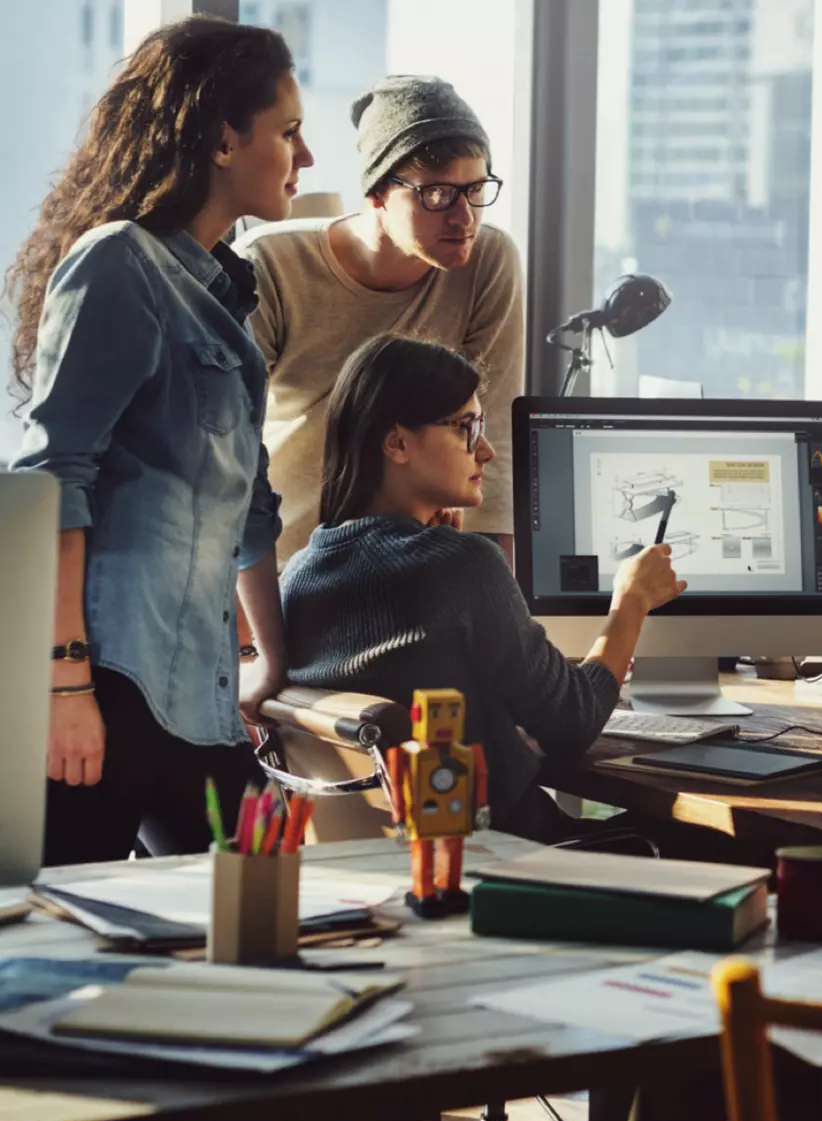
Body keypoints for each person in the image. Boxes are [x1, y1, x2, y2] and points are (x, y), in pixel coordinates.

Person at [6, 18, 307, 865]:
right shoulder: (118, 266)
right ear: (222, 139)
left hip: (201, 702)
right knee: (55, 948)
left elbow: (251, 513)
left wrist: (269, 667)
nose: (304, 158)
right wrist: (65, 687)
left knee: (270, 896)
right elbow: (52, 478)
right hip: (108, 688)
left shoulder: (228, 296)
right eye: (288, 133)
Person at [279, 335, 684, 841]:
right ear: (397, 442)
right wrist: (631, 602)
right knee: (733, 842)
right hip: (515, 865)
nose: (487, 451)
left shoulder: (298, 574)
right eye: (466, 428)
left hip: (397, 873)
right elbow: (572, 724)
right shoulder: (461, 565)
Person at [240, 75, 523, 565]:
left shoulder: (489, 259)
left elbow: (492, 435)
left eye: (475, 189)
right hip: (286, 564)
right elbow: (234, 457)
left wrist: (496, 601)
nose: (464, 219)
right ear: (376, 194)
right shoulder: (271, 265)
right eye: (436, 195)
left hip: (414, 568)